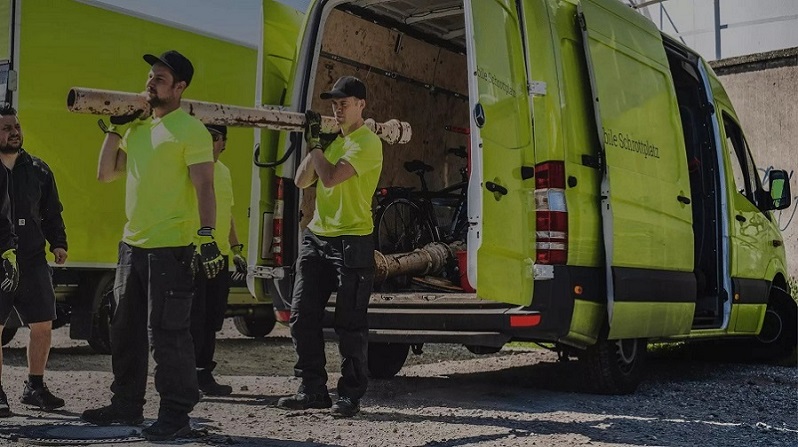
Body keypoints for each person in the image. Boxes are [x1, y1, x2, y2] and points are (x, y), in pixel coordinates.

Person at [82, 50, 224, 442]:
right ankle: (125, 404)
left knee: (167, 334)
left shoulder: (191, 130)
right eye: (150, 76)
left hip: (171, 249)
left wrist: (208, 236)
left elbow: (205, 187)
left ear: (179, 88)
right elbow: (105, 173)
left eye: (160, 78)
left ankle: (175, 414)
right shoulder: (138, 129)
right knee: (124, 330)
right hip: (132, 245)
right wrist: (115, 127)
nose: (150, 83)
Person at [277, 76, 382, 418]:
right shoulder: (333, 141)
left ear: (361, 106)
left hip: (352, 240)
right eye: (334, 104)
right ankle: (311, 389)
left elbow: (331, 177)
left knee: (349, 324)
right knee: (300, 317)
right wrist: (318, 144)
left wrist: (316, 147)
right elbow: (300, 180)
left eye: (344, 103)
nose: (337, 110)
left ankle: (350, 394)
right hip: (317, 236)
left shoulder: (367, 143)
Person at [190, 124, 247, 396]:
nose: (209, 142)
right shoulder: (192, 168)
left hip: (221, 256)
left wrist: (237, 249)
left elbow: (229, 212)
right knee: (193, 319)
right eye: (205, 137)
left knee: (213, 318)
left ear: (224, 143)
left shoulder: (224, 172)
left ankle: (204, 375)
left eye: (214, 138)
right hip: (196, 256)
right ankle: (186, 376)